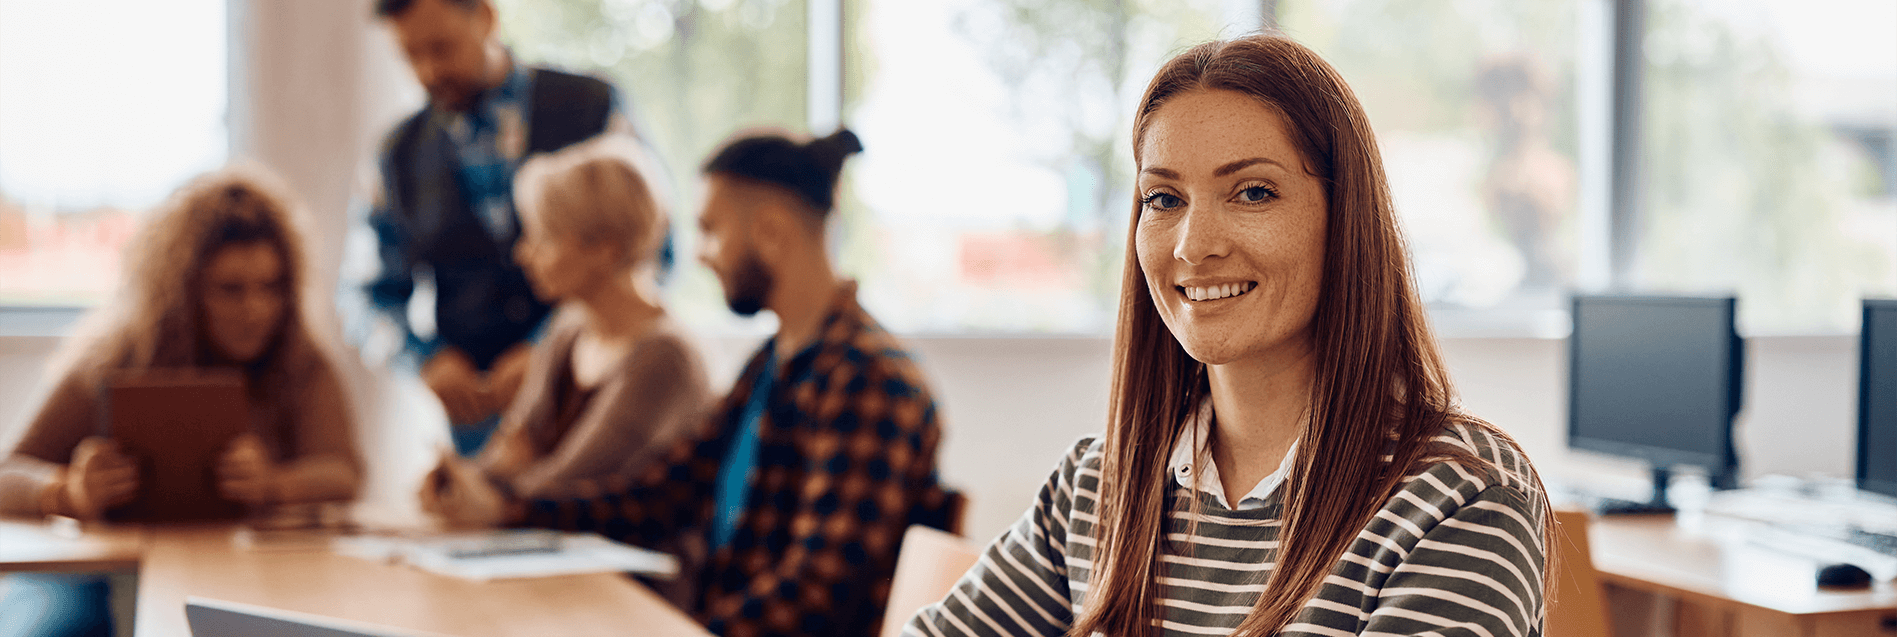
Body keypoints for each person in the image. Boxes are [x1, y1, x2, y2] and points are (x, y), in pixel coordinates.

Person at [904, 34, 1551, 637]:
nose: (1194, 245)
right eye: (1164, 198)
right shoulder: (1095, 486)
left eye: (1252, 192)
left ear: (1345, 218)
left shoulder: (1458, 496)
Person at [425, 129, 957, 637]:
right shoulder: (772, 364)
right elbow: (664, 492)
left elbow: (817, 591)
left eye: (710, 229)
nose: (699, 254)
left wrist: (684, 634)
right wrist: (509, 512)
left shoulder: (870, 381)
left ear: (771, 231)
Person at [0, 167, 362, 637]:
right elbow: (8, 474)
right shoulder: (114, 358)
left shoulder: (300, 362)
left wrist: (274, 484)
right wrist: (68, 491)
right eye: (231, 289)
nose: (255, 309)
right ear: (184, 289)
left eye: (271, 288)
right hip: (97, 575)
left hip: (247, 569)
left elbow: (342, 472)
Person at [358, 0, 637, 455]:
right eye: (410, 56)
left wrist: (552, 349)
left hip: (597, 405)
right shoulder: (395, 154)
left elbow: (652, 254)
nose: (428, 72)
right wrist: (425, 360)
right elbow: (368, 294)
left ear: (486, 17)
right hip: (482, 434)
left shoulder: (594, 108)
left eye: (442, 48)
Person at [430, 139, 709, 499]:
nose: (523, 254)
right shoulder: (569, 328)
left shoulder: (664, 355)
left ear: (604, 249)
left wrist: (479, 486)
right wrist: (452, 480)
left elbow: (569, 481)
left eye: (543, 238)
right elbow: (510, 449)